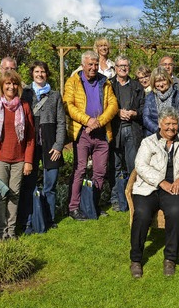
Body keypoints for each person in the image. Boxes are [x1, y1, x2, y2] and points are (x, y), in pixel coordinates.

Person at [129, 106, 179, 278]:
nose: (171, 127)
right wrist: (161, 182)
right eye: (167, 123)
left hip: (173, 188)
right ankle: (136, 259)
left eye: (174, 123)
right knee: (141, 213)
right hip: (149, 188)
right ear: (160, 124)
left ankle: (170, 258)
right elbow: (140, 165)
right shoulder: (148, 142)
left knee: (176, 212)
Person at [0, 71, 35, 238]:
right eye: (8, 84)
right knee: (2, 195)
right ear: (1, 86)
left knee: (14, 195)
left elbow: (31, 137)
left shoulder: (24, 106)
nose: (11, 87)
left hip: (18, 160)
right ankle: (0, 231)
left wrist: (28, 161)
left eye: (15, 83)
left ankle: (10, 231)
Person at [63, 51, 118, 221]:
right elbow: (68, 105)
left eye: (95, 64)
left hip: (101, 134)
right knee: (80, 170)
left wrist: (99, 122)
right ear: (83, 65)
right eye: (90, 64)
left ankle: (93, 204)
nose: (94, 67)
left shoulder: (105, 82)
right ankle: (73, 207)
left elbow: (113, 105)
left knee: (100, 171)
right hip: (82, 133)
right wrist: (87, 120)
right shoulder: (73, 81)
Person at [19, 61, 65, 229]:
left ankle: (49, 219)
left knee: (50, 185)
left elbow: (61, 122)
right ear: (32, 73)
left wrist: (59, 145)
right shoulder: (25, 94)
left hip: (50, 144)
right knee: (28, 184)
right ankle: (29, 219)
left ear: (47, 74)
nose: (40, 74)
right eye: (37, 71)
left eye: (43, 71)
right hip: (30, 145)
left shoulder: (55, 95)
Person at [108, 55, 145, 211]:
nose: (123, 68)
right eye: (120, 65)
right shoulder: (109, 85)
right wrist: (117, 112)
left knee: (132, 166)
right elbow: (104, 106)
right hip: (115, 130)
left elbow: (144, 108)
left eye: (126, 65)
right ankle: (116, 199)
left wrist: (134, 113)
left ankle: (133, 197)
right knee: (115, 166)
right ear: (115, 68)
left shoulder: (137, 86)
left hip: (132, 129)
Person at [142, 67, 179, 137]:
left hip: (175, 132)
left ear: (168, 79)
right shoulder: (149, 97)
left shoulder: (178, 95)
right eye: (157, 81)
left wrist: (172, 130)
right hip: (155, 134)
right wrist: (159, 131)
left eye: (163, 80)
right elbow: (146, 118)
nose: (161, 84)